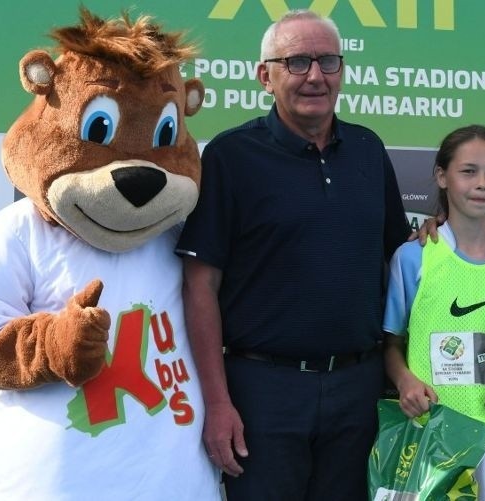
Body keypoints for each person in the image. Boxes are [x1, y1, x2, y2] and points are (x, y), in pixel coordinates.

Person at [175, 10, 412, 500]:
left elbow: (402, 261)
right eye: (297, 61)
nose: (315, 76)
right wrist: (216, 403)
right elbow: (200, 285)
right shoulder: (230, 156)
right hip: (262, 391)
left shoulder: (369, 150)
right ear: (265, 76)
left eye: (327, 61)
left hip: (358, 389)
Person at [383, 125, 485, 500]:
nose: (482, 183)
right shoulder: (414, 258)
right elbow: (390, 344)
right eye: (468, 171)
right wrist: (406, 380)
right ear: (442, 176)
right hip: (433, 437)